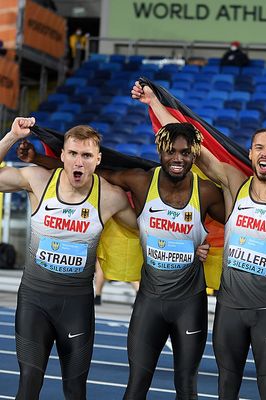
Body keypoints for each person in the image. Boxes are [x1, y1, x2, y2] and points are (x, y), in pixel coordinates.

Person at [132, 81, 266, 399]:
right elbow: (191, 146)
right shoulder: (233, 183)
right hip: (229, 311)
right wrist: (154, 104)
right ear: (251, 153)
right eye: (259, 148)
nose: (264, 153)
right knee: (227, 389)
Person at [18, 121, 225, 399]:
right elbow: (90, 171)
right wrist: (37, 159)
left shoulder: (207, 191)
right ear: (160, 152)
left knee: (187, 386)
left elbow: (240, 222)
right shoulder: (140, 181)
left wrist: (201, 244)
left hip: (190, 302)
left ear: (195, 155)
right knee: (135, 385)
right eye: (171, 152)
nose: (178, 158)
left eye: (186, 153)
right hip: (148, 301)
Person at [2, 118, 137, 399]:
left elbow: (145, 230)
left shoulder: (110, 197)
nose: (79, 162)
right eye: (73, 154)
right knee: (28, 384)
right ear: (62, 155)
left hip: (76, 306)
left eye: (86, 155)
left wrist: (195, 245)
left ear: (97, 159)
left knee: (75, 390)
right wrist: (12, 136)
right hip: (34, 301)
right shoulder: (38, 179)